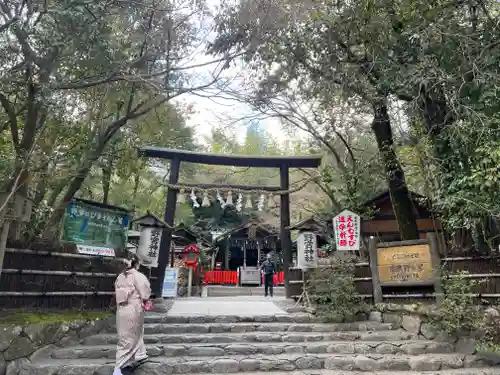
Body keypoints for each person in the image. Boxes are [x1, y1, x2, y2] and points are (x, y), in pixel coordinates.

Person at [113, 255, 151, 375]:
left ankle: (139, 355)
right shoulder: (138, 276)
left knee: (125, 337)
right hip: (134, 310)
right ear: (136, 264)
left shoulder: (120, 277)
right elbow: (145, 294)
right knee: (130, 338)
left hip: (121, 310)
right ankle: (119, 368)